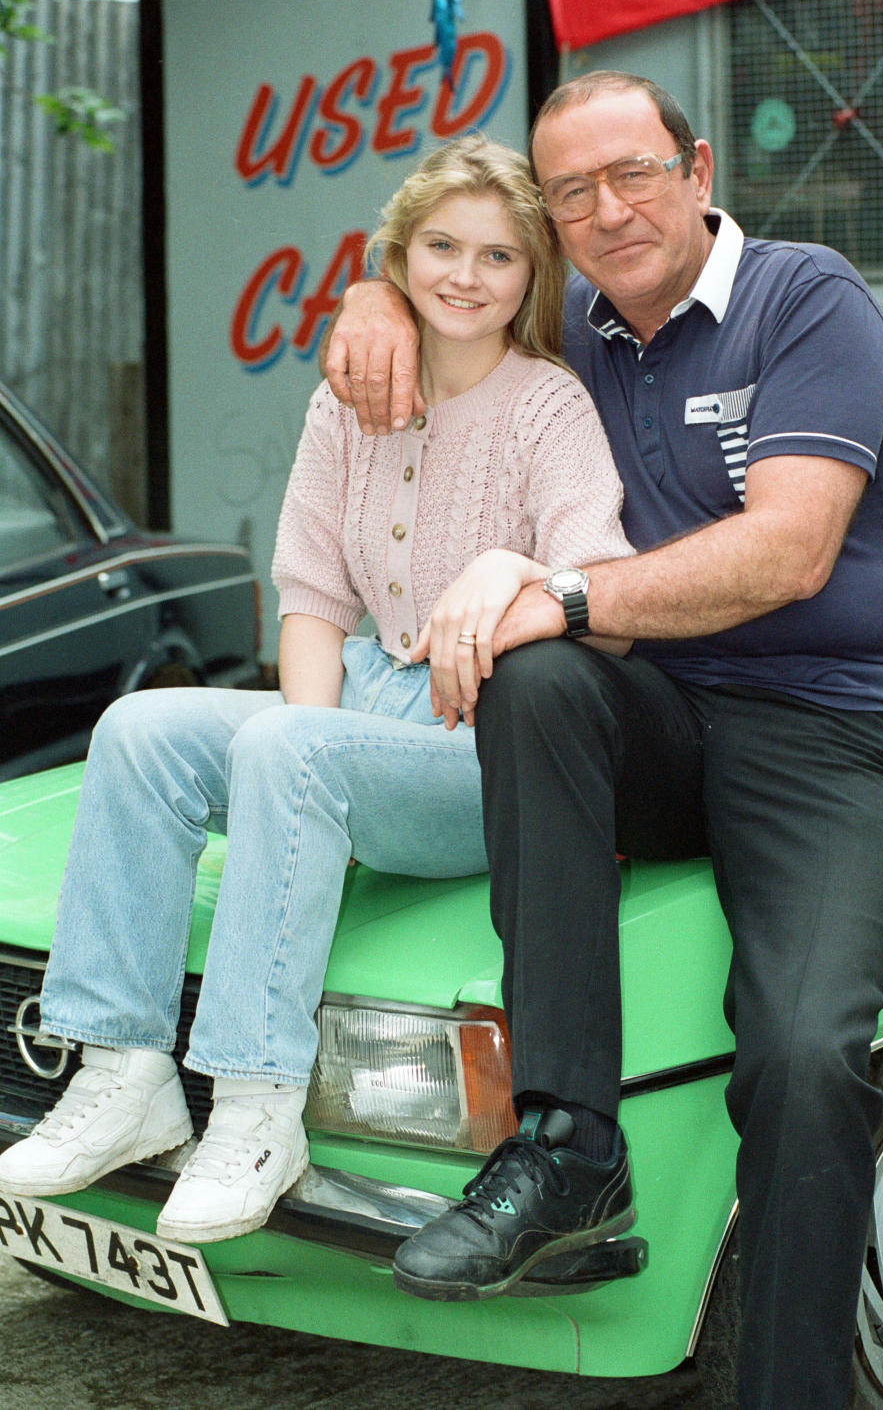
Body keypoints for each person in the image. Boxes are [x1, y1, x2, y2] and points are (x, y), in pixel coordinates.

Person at [325, 73, 883, 1410]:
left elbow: (790, 549)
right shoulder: (568, 329)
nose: (607, 211)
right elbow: (449, 282)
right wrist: (376, 296)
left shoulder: (807, 298)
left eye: (635, 173)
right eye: (572, 192)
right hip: (653, 713)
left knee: (803, 1055)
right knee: (535, 680)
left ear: (698, 166)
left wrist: (571, 592)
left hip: (827, 731)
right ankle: (567, 1143)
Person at [0, 133, 636, 1247]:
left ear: (533, 274)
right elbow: (312, 597)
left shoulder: (549, 408)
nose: (465, 276)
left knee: (294, 749)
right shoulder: (347, 401)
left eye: (497, 256)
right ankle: (122, 1065)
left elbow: (603, 585)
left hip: (486, 745)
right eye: (441, 245)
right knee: (143, 727)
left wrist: (509, 578)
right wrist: (304, 760)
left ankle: (254, 1105)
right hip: (361, 705)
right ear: (399, 255)